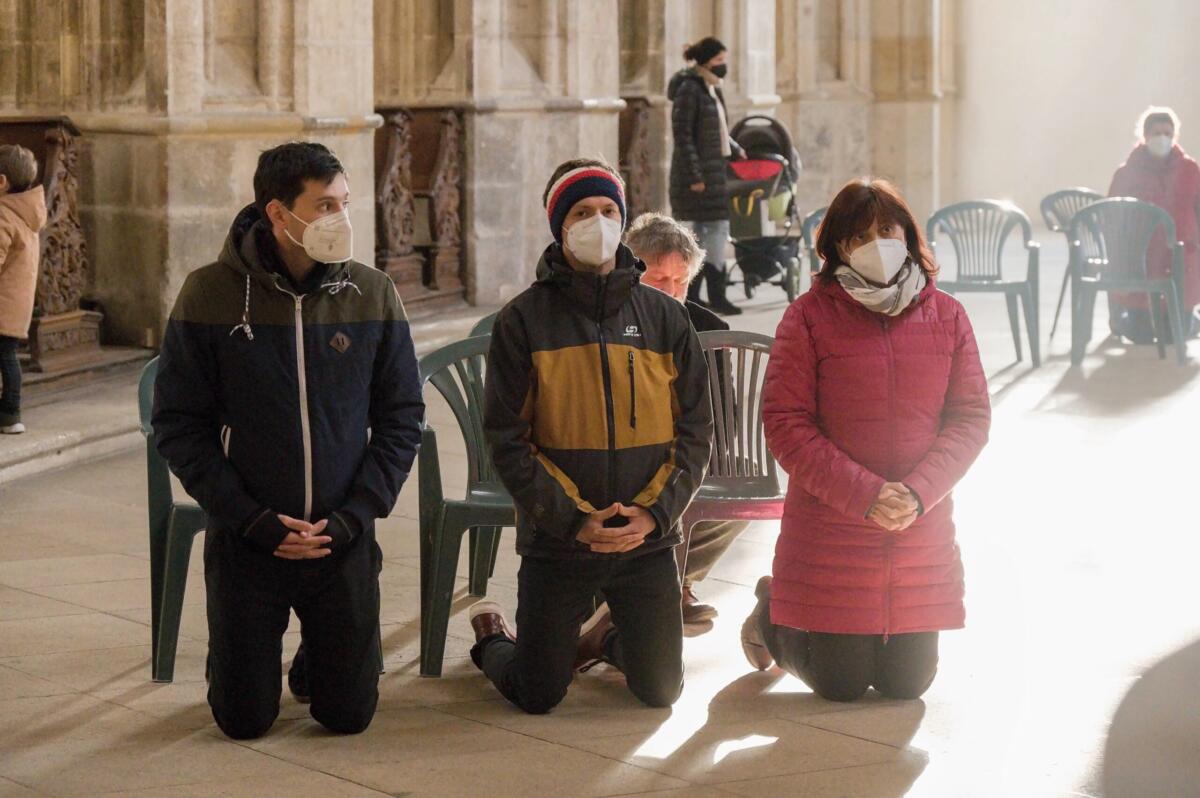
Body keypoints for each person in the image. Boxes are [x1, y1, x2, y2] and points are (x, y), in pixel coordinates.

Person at [152, 141, 424, 739]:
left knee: (347, 717)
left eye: (345, 203)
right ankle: (241, 656)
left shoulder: (372, 291)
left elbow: (403, 416)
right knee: (243, 721)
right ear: (278, 213)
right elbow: (178, 423)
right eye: (324, 205)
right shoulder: (210, 292)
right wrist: (250, 519)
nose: (341, 218)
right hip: (249, 538)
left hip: (340, 535)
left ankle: (318, 654)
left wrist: (356, 515)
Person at [468, 159, 713, 714]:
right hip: (560, 541)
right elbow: (508, 439)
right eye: (581, 212)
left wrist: (654, 513)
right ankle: (492, 641)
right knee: (538, 693)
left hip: (645, 540)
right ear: (560, 226)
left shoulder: (665, 317)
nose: (597, 222)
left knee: (660, 691)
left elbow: (696, 430)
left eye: (608, 210)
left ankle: (607, 640)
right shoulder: (523, 320)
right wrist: (575, 520)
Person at [740, 178, 990, 702]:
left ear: (907, 235)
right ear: (837, 248)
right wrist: (866, 494)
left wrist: (918, 492)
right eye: (858, 237)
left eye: (886, 230)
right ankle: (770, 616)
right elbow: (786, 422)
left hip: (917, 522)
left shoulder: (947, 316)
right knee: (841, 683)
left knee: (907, 684)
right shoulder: (807, 318)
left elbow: (970, 417)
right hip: (836, 522)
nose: (876, 244)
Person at [625, 212, 748, 632]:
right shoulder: (613, 323)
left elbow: (726, 419)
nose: (672, 292)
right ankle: (642, 587)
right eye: (660, 280)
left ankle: (679, 580)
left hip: (689, 452)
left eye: (681, 281)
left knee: (741, 475)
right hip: (628, 454)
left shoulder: (711, 327)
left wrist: (695, 454)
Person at [1108, 106, 1200, 342]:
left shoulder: (1190, 170)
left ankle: (1192, 319)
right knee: (1141, 334)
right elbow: (1112, 219)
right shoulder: (1126, 173)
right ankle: (1124, 317)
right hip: (1140, 262)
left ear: (1175, 136)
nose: (1162, 138)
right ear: (1145, 135)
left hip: (1181, 262)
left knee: (1176, 333)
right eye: (1157, 133)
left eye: (1168, 133)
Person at [668, 36, 745, 317]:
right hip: (699, 179)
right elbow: (683, 136)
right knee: (705, 235)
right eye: (719, 60)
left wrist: (735, 149)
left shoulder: (711, 87)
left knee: (710, 234)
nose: (724, 65)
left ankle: (707, 297)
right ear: (706, 61)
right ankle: (707, 297)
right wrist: (695, 175)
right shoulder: (690, 89)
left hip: (714, 174)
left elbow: (717, 130)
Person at [0, 144, 46, 435]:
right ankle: (10, 413)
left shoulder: (3, 214)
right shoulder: (28, 213)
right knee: (8, 357)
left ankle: (10, 412)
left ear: (1, 182)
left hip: (2, 302)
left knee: (5, 358)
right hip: (16, 303)